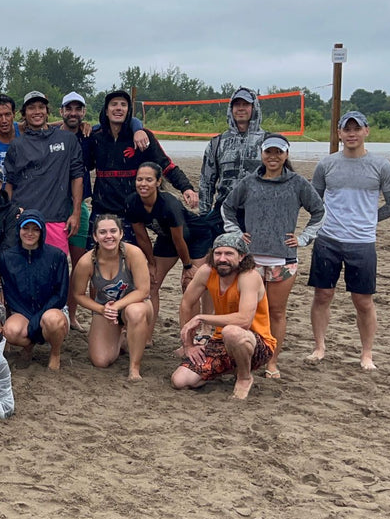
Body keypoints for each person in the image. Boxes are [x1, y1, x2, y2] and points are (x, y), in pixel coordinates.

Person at [222, 134, 323, 378]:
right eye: (269, 152)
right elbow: (227, 207)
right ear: (262, 154)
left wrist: (303, 238)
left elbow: (319, 211)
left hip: (283, 259)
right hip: (250, 260)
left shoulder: (298, 183)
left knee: (276, 311)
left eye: (279, 152)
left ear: (286, 155)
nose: (273, 157)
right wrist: (236, 234)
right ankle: (244, 357)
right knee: (247, 309)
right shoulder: (249, 182)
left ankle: (271, 361)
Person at [307, 111, 390, 370]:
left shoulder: (381, 166)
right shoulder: (326, 165)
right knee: (323, 294)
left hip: (362, 242)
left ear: (366, 131)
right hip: (328, 239)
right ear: (338, 133)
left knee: (362, 300)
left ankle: (366, 354)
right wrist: (321, 223)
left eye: (356, 129)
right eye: (346, 129)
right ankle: (319, 347)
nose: (351, 133)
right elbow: (315, 201)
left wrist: (369, 220)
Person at [58, 91, 148, 329]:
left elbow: (122, 122)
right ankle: (73, 314)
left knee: (85, 264)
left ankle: (78, 315)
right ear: (61, 112)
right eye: (69, 109)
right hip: (54, 206)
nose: (74, 113)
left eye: (78, 109)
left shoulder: (91, 134)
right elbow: (32, 124)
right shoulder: (53, 135)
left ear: (85, 112)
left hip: (82, 206)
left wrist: (137, 126)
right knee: (60, 264)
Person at [172, 233, 276, 399]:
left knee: (232, 332)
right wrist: (188, 344)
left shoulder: (249, 277)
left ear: (242, 256)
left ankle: (244, 377)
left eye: (229, 254)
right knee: (180, 381)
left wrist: (201, 318)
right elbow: (187, 302)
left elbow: (244, 320)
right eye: (218, 253)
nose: (222, 259)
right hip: (221, 340)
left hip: (256, 342)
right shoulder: (206, 271)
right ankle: (228, 367)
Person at [88, 90, 197, 242]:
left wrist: (186, 187)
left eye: (123, 105)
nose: (118, 108)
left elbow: (166, 165)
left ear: (129, 111)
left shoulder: (143, 137)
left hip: (131, 209)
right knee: (95, 257)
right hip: (101, 208)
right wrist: (81, 128)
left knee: (132, 259)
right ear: (106, 111)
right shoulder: (95, 137)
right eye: (114, 104)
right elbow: (82, 165)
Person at [127, 162, 213, 325]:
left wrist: (188, 266)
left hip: (196, 237)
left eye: (149, 180)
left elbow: (179, 240)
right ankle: (147, 336)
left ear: (158, 182)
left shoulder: (169, 204)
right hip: (167, 238)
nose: (143, 184)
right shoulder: (132, 201)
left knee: (189, 285)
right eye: (139, 179)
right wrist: (151, 263)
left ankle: (192, 336)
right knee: (151, 284)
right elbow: (142, 236)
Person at [71, 214, 154, 379]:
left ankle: (134, 368)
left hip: (136, 305)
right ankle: (122, 338)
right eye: (102, 232)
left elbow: (143, 290)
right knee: (100, 360)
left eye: (113, 231)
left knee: (134, 312)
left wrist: (117, 306)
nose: (108, 236)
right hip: (106, 309)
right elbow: (78, 294)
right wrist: (102, 309)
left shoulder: (133, 254)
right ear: (95, 236)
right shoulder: (87, 262)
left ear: (121, 234)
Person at [3, 91, 84, 256]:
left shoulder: (67, 139)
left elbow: (77, 177)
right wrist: (10, 216)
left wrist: (76, 213)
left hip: (56, 219)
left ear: (48, 112)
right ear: (24, 113)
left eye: (41, 107)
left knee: (54, 271)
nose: (37, 112)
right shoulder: (17, 145)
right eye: (31, 108)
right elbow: (9, 183)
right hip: (25, 219)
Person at [0, 211, 71, 370]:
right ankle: (28, 346)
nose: (30, 233)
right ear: (19, 230)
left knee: (53, 321)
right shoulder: (7, 257)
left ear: (42, 231)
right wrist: (29, 317)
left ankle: (55, 353)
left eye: (35, 229)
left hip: (51, 309)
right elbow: (10, 292)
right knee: (10, 331)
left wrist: (37, 318)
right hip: (22, 310)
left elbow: (61, 294)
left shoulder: (56, 256)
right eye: (26, 228)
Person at [199, 87, 268, 238]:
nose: (241, 108)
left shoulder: (267, 142)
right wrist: (204, 214)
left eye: (246, 104)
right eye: (237, 105)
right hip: (224, 211)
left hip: (259, 213)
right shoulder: (217, 143)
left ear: (253, 107)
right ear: (231, 109)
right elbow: (206, 182)